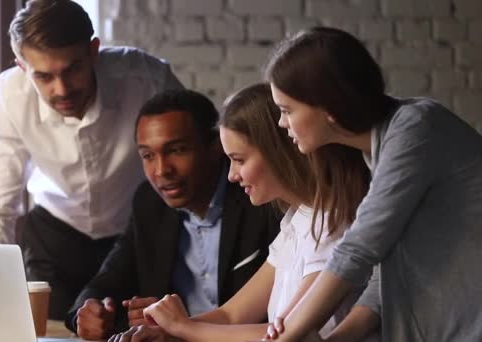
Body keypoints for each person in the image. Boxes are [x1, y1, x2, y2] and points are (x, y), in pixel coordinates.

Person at [265, 26, 482, 342]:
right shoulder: (378, 152)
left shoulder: (416, 128)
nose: (282, 123)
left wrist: (290, 335)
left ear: (328, 106)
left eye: (286, 110)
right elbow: (384, 278)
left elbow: (358, 250)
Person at [111, 83, 374, 342]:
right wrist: (167, 332)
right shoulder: (298, 219)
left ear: (277, 152)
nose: (232, 175)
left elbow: (292, 334)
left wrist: (183, 328)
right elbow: (232, 315)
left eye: (239, 160)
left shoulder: (333, 225)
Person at [0, 0, 183, 319]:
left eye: (72, 69)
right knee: (51, 334)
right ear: (22, 66)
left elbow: (198, 152)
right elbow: (0, 201)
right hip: (54, 234)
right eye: (43, 76)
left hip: (133, 233)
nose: (62, 89)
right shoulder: (11, 93)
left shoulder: (147, 77)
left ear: (93, 51)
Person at [66, 89, 280, 340]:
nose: (161, 170)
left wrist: (176, 326)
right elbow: (108, 279)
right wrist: (89, 313)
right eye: (148, 155)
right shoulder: (149, 203)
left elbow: (275, 317)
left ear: (215, 146)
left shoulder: (262, 198)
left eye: (177, 150)